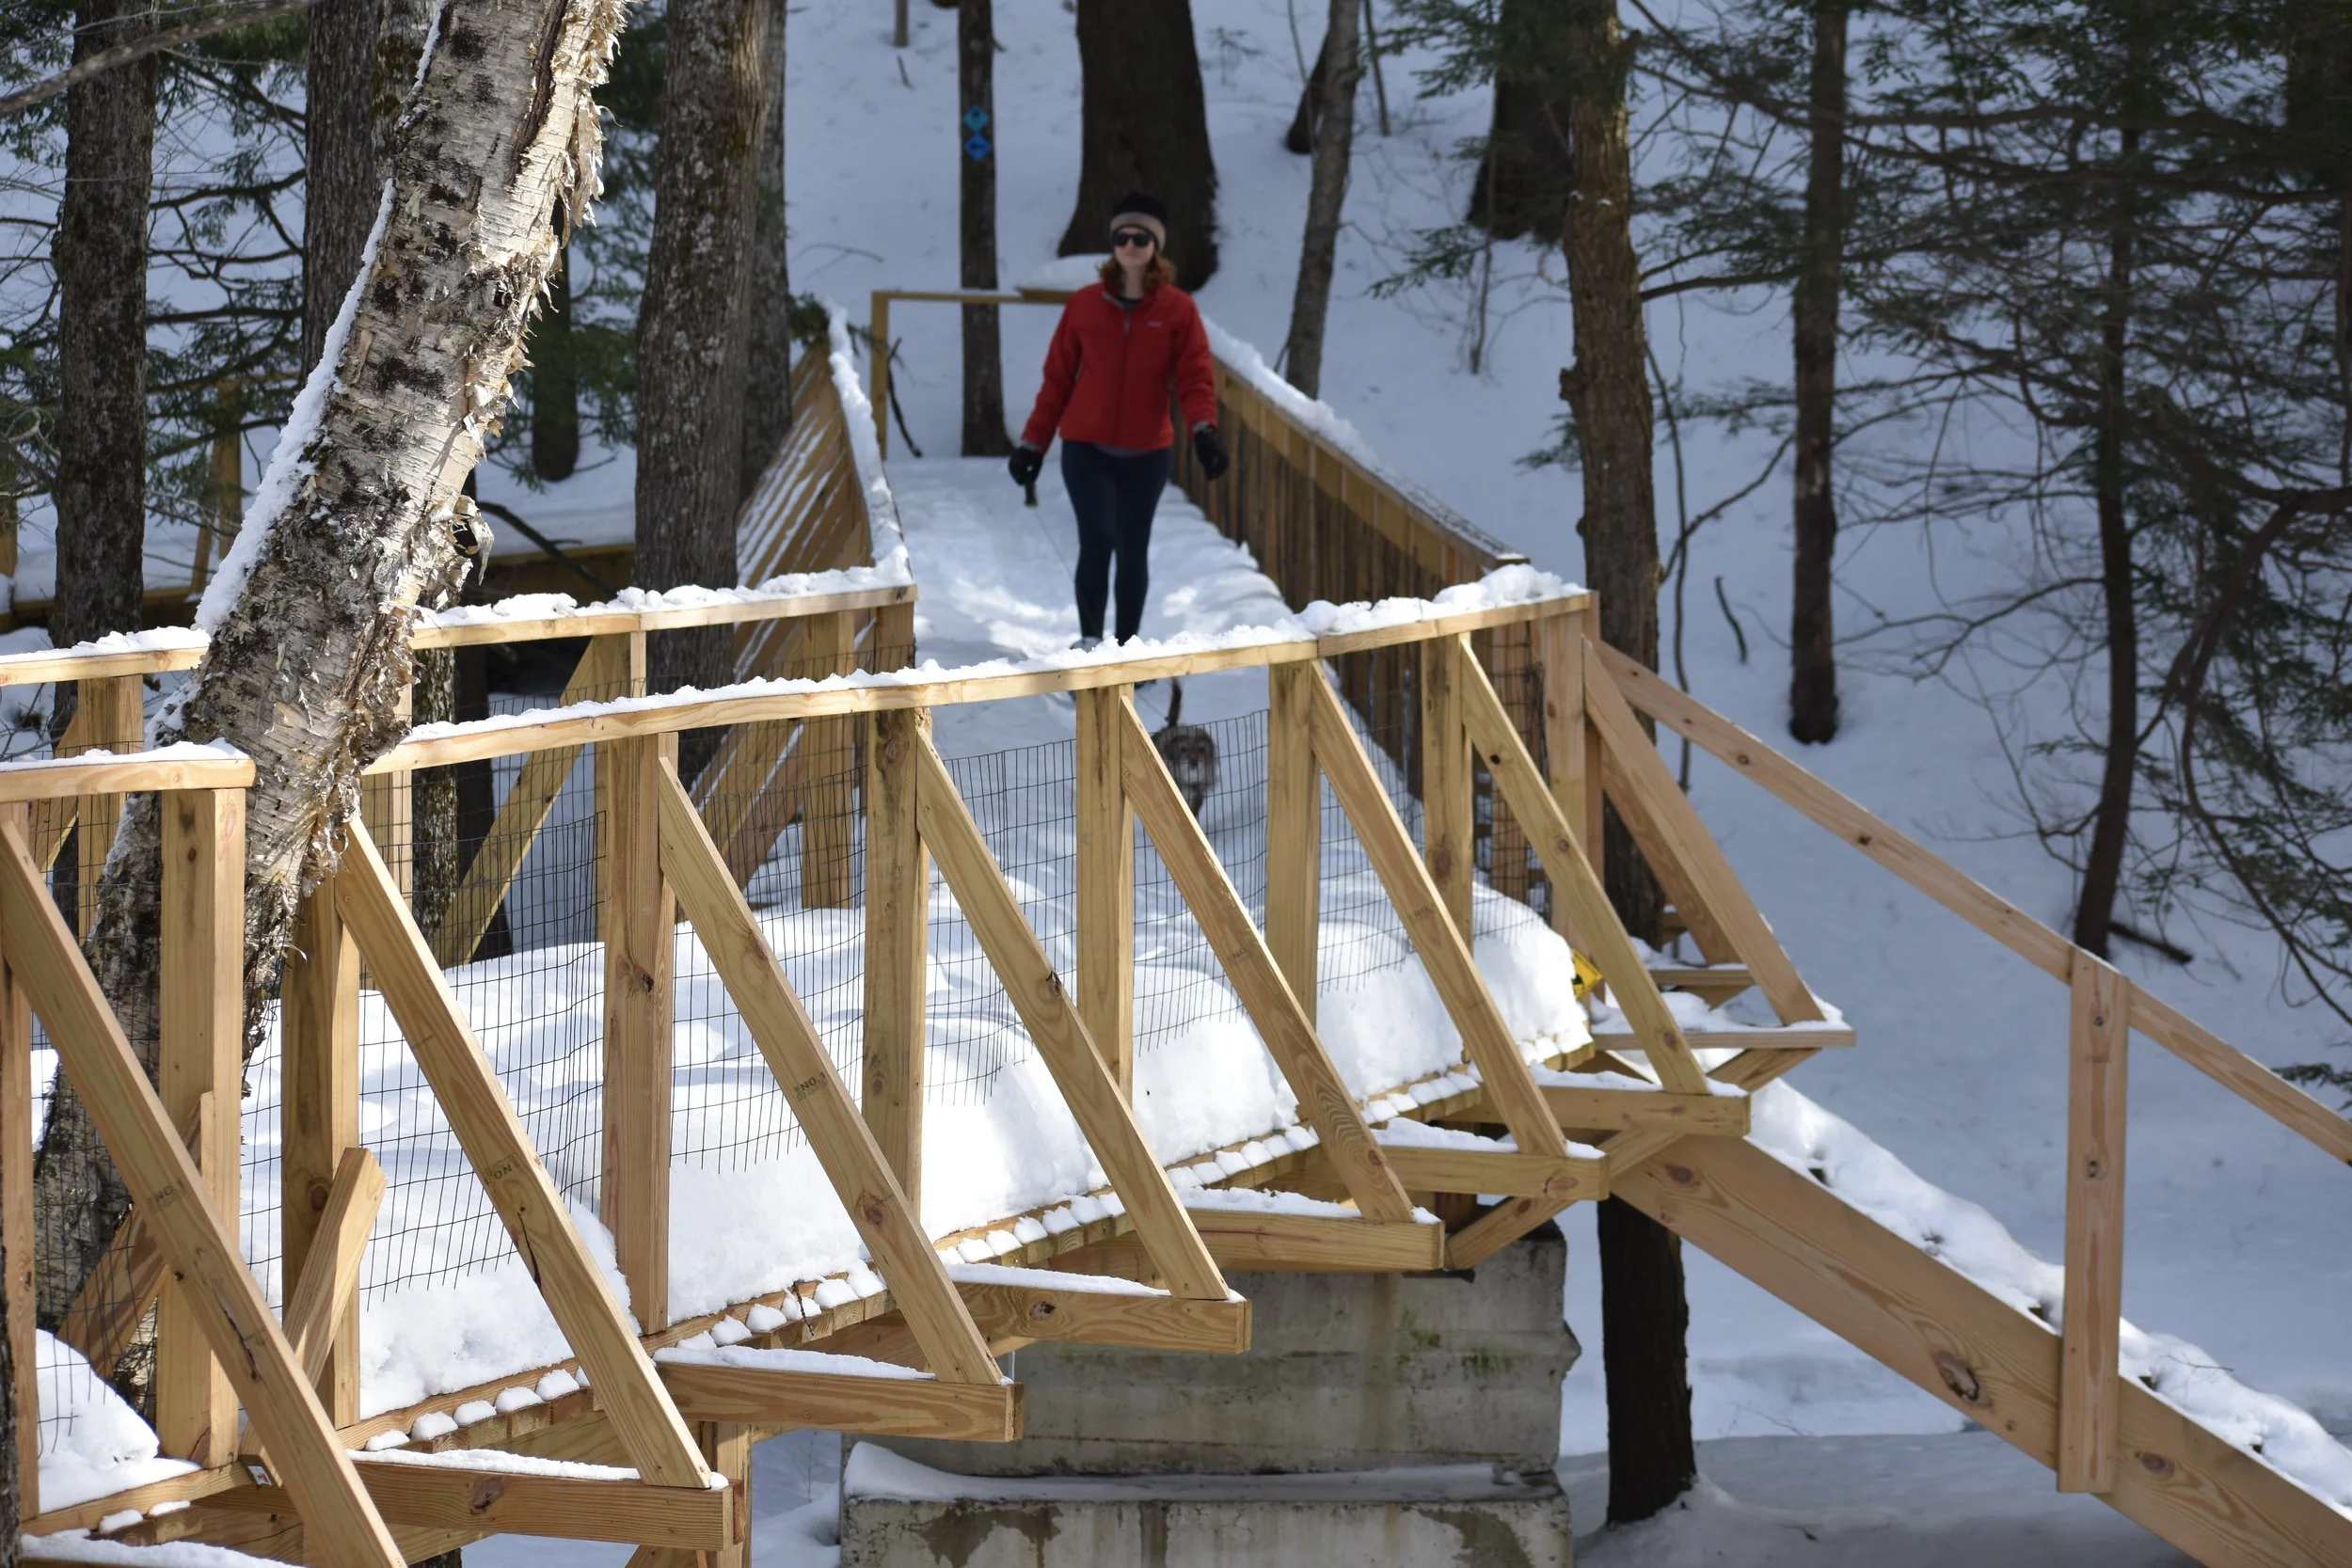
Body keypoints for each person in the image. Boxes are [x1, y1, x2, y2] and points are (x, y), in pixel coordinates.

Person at [1009, 192, 1230, 649]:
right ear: (1112, 243)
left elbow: (1194, 379)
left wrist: (1204, 432)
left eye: (1141, 237)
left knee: (1133, 550)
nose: (1131, 245)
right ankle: (1091, 643)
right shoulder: (1085, 305)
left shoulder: (1177, 310)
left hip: (1147, 452)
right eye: (1122, 236)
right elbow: (1057, 380)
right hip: (1085, 448)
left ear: (1156, 246)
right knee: (1098, 539)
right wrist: (1033, 443)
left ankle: (1127, 650)